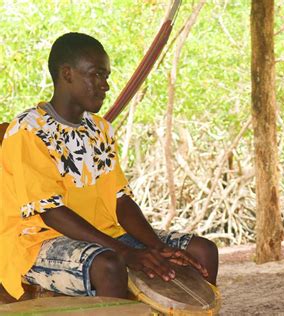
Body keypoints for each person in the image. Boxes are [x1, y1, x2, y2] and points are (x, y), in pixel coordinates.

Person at [0, 32, 218, 300]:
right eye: (96, 75)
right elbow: (51, 212)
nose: (105, 85)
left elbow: (121, 200)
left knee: (202, 251)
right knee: (110, 265)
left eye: (106, 76)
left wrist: (157, 247)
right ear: (66, 74)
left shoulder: (99, 128)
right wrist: (125, 252)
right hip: (38, 241)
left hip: (104, 235)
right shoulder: (28, 130)